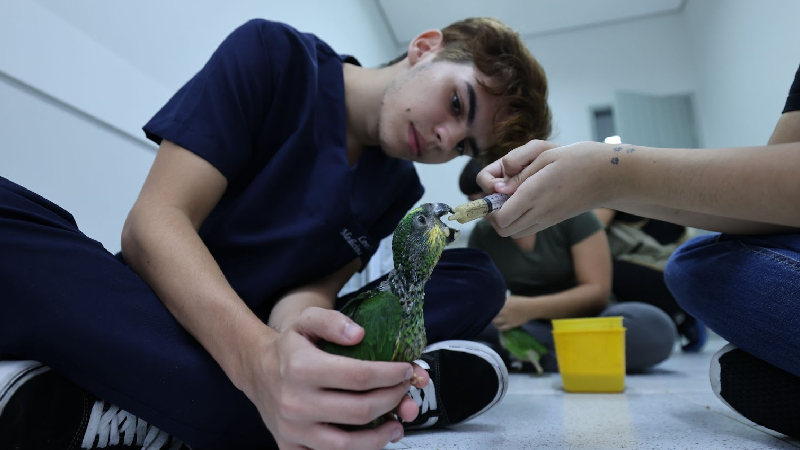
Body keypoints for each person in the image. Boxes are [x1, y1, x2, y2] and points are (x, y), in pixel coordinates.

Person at [0, 17, 552, 450]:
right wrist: (257, 361)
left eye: (461, 145)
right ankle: (340, 406)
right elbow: (154, 225)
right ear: (425, 46)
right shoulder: (274, 56)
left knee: (475, 275)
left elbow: (308, 291)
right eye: (457, 104)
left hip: (261, 343)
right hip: (158, 312)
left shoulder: (397, 190)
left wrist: (299, 341)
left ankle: (151, 406)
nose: (443, 137)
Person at [475, 64, 800, 438]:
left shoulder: (575, 221)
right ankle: (553, 353)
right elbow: (772, 212)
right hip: (537, 324)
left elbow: (595, 292)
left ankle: (547, 353)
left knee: (673, 294)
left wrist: (611, 175)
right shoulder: (486, 237)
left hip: (585, 316)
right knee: (697, 271)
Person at [458, 159, 676, 373]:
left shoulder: (571, 216)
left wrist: (528, 308)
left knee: (653, 328)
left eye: (487, 198)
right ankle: (561, 357)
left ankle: (533, 358)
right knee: (462, 327)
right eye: (473, 200)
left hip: (587, 323)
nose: (485, 211)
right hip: (532, 327)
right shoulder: (483, 234)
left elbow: (596, 293)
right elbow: (479, 294)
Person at [592, 207, 707, 352]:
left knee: (589, 270)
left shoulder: (610, 196)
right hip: (687, 279)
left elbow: (588, 232)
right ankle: (684, 317)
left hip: (650, 276)